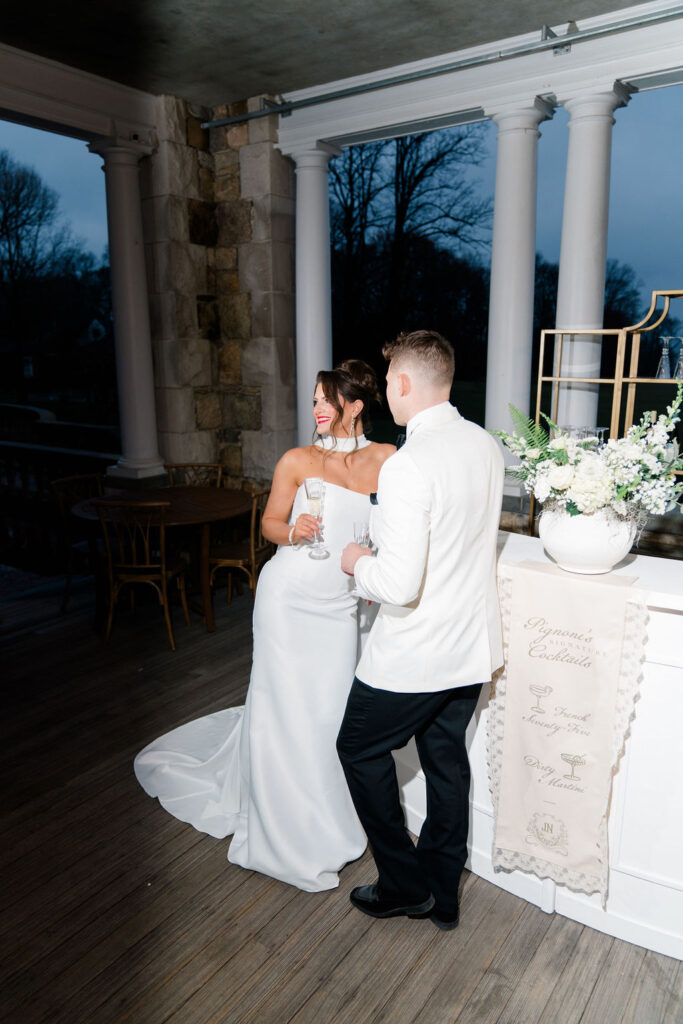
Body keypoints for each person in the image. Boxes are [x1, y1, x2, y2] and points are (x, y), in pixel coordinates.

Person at [134, 360, 395, 892]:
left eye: (326, 400)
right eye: (314, 401)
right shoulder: (297, 460)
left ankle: (326, 811)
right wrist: (294, 531)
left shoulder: (388, 461)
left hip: (342, 606)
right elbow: (269, 525)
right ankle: (282, 826)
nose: (317, 409)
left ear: (356, 406)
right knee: (283, 709)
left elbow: (392, 529)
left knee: (327, 710)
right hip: (288, 599)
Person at [338, 330, 504, 929]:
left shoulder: (409, 465)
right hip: (469, 647)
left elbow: (399, 584)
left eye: (387, 383)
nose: (385, 391)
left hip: (415, 654)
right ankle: (443, 888)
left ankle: (405, 883)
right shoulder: (485, 445)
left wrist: (357, 562)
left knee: (355, 748)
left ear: (403, 383)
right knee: (444, 761)